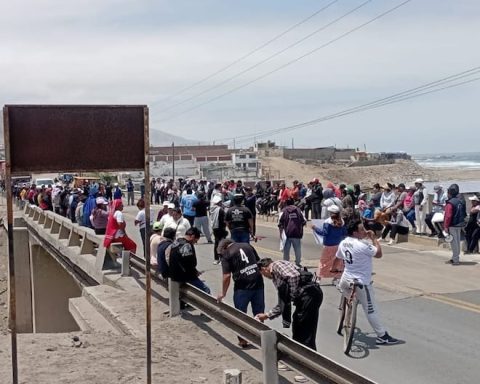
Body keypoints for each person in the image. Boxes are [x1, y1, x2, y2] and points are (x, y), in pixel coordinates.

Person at [336, 220, 399, 345]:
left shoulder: (343, 243)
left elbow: (337, 258)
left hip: (346, 278)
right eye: (361, 229)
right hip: (362, 283)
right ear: (355, 233)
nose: (364, 231)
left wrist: (333, 269)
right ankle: (382, 335)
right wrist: (374, 238)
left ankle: (346, 309)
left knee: (344, 289)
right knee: (371, 310)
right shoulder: (363, 245)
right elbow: (379, 254)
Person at [255, 258, 323, 350]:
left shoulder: (275, 265)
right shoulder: (277, 275)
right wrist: (267, 315)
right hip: (307, 297)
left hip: (309, 295)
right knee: (298, 327)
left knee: (305, 331)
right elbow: (283, 302)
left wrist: (293, 293)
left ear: (263, 269)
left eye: (263, 274)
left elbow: (293, 276)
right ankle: (301, 355)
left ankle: (307, 358)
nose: (265, 276)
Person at [216, 239, 265, 348]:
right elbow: (259, 262)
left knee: (240, 314)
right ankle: (262, 338)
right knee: (259, 313)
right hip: (258, 283)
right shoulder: (247, 245)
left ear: (224, 248)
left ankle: (243, 340)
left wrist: (223, 293)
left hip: (242, 287)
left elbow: (227, 276)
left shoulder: (227, 254)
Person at [166, 227, 210, 293]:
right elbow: (188, 264)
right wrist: (195, 273)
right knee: (206, 290)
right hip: (184, 276)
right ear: (192, 236)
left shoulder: (177, 241)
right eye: (195, 240)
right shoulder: (186, 245)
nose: (195, 243)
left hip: (175, 275)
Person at [312, 205, 346, 285]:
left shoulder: (328, 222)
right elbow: (344, 233)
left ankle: (318, 278)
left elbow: (324, 233)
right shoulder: (342, 221)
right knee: (338, 262)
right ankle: (336, 278)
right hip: (338, 245)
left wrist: (315, 228)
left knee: (323, 262)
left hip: (328, 245)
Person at [443, 184, 467, 265]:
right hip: (459, 224)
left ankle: (455, 259)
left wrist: (446, 226)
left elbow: (448, 216)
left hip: (452, 225)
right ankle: (455, 257)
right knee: (457, 242)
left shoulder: (450, 203)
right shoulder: (460, 201)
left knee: (453, 242)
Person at [278, 198, 306, 266]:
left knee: (286, 250)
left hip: (287, 233)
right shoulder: (298, 210)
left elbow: (280, 223)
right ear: (293, 202)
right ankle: (298, 263)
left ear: (286, 203)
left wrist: (281, 234)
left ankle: (286, 263)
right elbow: (303, 221)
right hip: (297, 233)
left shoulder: (283, 211)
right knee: (297, 249)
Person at [210, 195, 228, 264]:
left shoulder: (211, 209)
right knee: (222, 243)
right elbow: (224, 219)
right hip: (221, 228)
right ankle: (222, 258)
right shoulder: (220, 209)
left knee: (216, 243)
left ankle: (216, 258)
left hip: (215, 228)